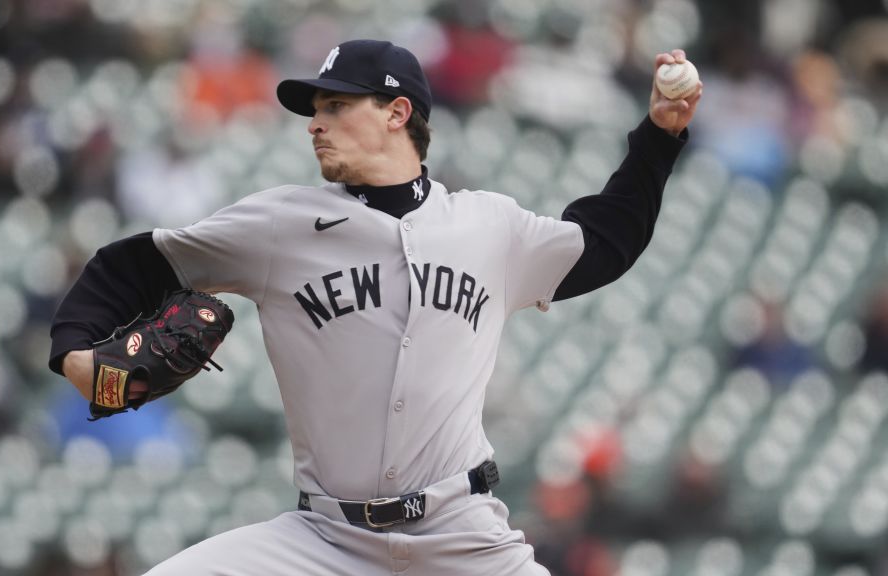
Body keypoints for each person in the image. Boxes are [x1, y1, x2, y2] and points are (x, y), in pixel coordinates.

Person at [49, 39, 701, 575]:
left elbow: (606, 241)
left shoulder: (488, 228)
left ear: (396, 113)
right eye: (315, 109)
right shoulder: (280, 224)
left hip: (462, 539)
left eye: (335, 106)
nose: (315, 123)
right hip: (322, 543)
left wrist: (659, 139)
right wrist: (81, 365)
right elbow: (127, 267)